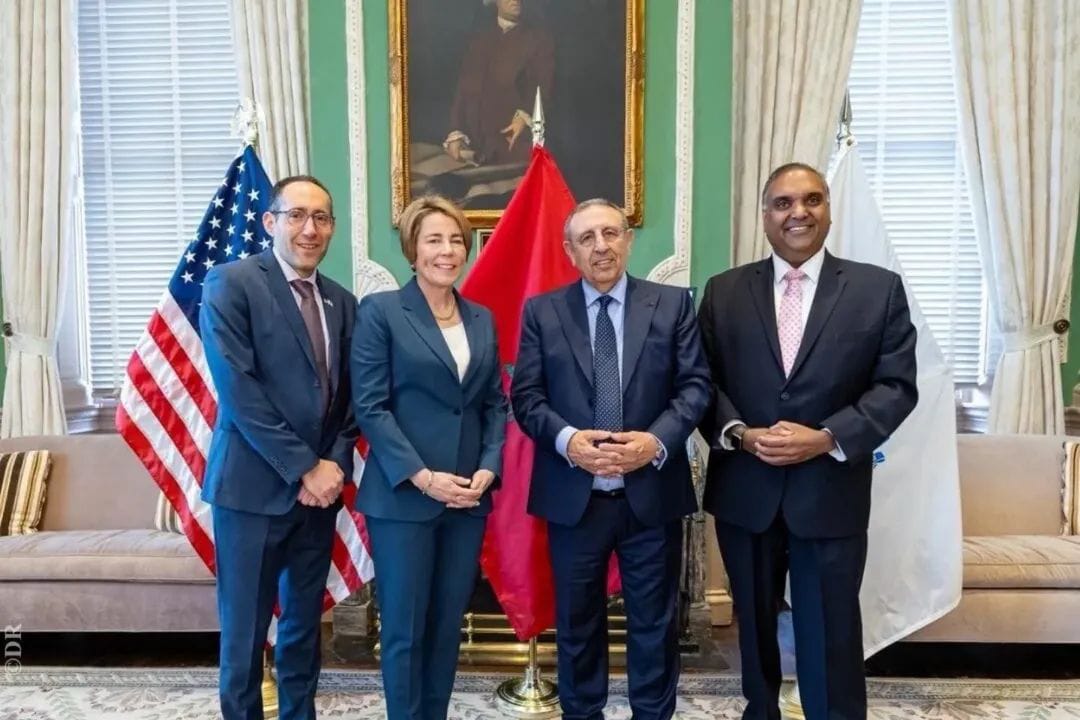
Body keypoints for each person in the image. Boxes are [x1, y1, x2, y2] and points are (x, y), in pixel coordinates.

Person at [697, 163, 918, 720]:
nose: (798, 213)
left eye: (812, 200)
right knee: (754, 631)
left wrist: (827, 438)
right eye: (783, 203)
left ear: (828, 209)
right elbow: (700, 382)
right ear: (764, 216)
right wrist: (741, 434)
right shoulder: (724, 291)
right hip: (746, 491)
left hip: (830, 490)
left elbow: (896, 387)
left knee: (831, 632)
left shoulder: (877, 289)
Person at [511, 198, 712, 720]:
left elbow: (695, 387)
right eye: (587, 238)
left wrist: (655, 442)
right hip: (574, 499)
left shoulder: (672, 305)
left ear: (628, 239)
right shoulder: (542, 312)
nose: (601, 246)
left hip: (652, 497)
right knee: (577, 627)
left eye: (610, 233)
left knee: (655, 627)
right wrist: (569, 442)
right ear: (569, 251)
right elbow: (526, 398)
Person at [200, 175, 359, 720]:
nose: (309, 229)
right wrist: (304, 467)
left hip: (318, 497)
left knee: (302, 630)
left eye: (321, 218)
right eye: (296, 215)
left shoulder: (342, 302)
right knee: (244, 635)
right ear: (270, 222)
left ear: (332, 228)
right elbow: (239, 391)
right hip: (251, 493)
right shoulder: (231, 283)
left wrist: (333, 465)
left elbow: (349, 399)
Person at [351, 195, 507, 720]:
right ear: (412, 250)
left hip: (467, 498)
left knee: (446, 626)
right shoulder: (381, 312)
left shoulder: (481, 318)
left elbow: (493, 403)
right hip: (404, 498)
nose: (447, 251)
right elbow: (371, 407)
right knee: (405, 629)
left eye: (456, 240)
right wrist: (422, 477)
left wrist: (488, 467)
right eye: (434, 240)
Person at [443, 0, 554, 167]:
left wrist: (524, 117)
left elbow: (543, 86)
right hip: (475, 145)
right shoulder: (479, 41)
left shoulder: (538, 39)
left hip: (513, 144)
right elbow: (463, 89)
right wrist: (455, 132)